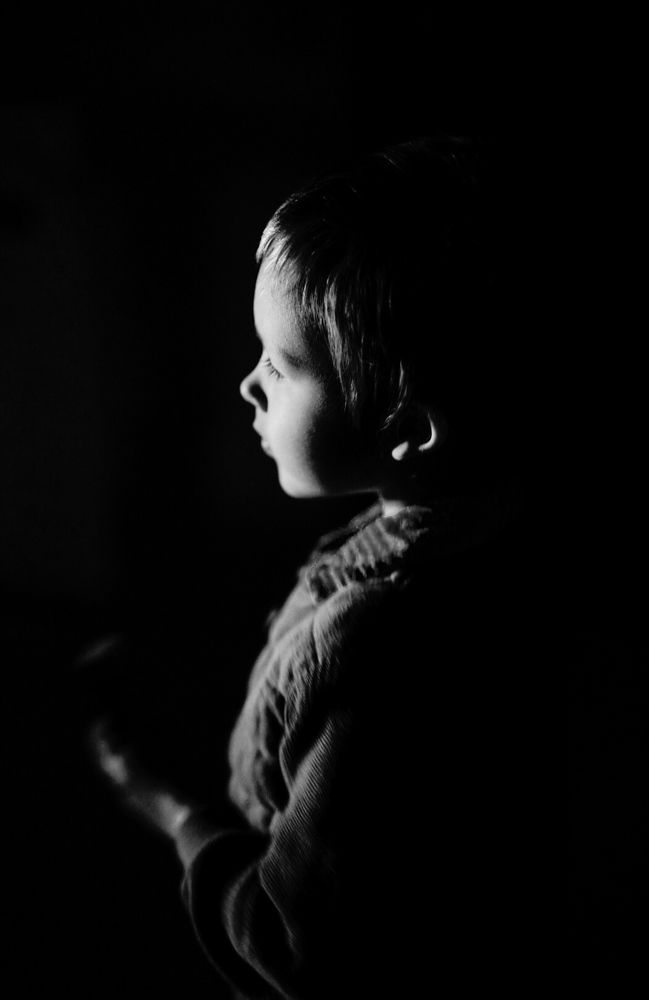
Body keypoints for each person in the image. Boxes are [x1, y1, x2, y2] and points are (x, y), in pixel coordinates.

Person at [94, 135, 535, 998]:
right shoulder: (456, 523)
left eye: (282, 365)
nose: (247, 386)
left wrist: (172, 811)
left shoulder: (379, 646)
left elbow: (294, 946)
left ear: (409, 431)